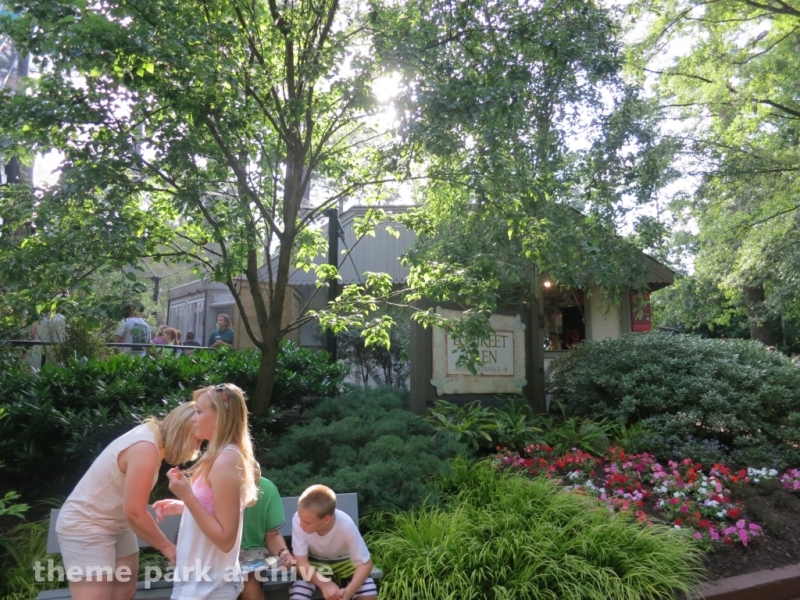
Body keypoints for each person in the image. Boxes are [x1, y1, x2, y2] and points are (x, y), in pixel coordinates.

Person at [55, 403, 199, 600]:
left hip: (119, 524)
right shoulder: (145, 447)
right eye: (198, 439)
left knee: (124, 592)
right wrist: (168, 548)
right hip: (86, 524)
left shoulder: (152, 440)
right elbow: (135, 513)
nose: (198, 447)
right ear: (184, 431)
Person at [153, 384, 259, 600]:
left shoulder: (226, 460)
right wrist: (184, 507)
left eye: (199, 412)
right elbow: (215, 511)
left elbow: (225, 539)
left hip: (209, 589)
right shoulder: (220, 457)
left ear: (221, 417)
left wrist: (187, 496)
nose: (193, 418)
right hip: (198, 586)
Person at [289, 484, 377, 600]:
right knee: (298, 594)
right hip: (314, 564)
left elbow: (365, 564)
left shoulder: (346, 525)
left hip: (346, 562)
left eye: (307, 523)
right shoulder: (298, 519)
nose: (301, 525)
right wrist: (324, 583)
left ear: (326, 519)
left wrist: (348, 593)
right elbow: (301, 564)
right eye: (300, 519)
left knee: (369, 591)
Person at [238, 476, 294, 600]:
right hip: (215, 551)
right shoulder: (208, 486)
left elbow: (272, 536)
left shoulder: (266, 488)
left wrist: (284, 553)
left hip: (252, 553)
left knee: (249, 581)